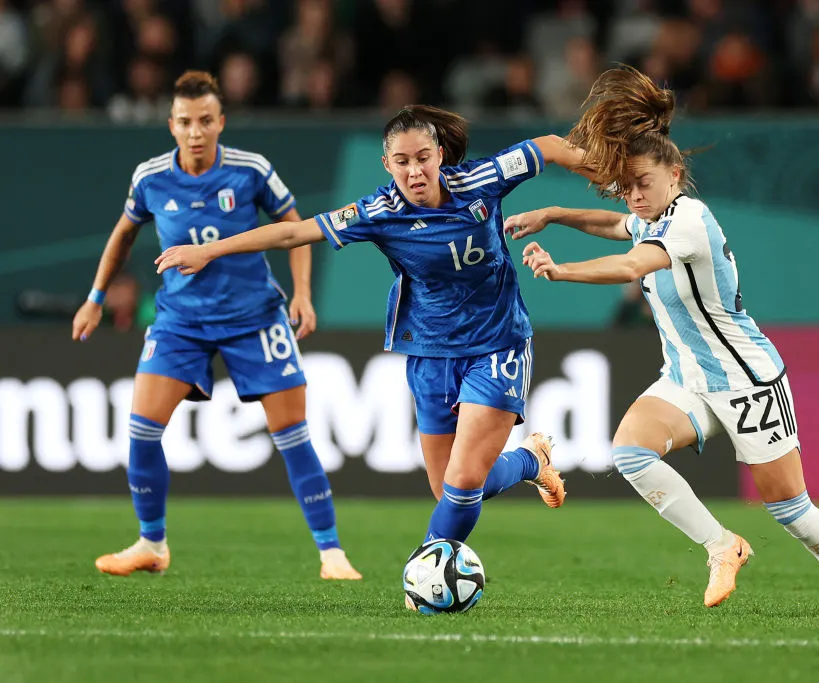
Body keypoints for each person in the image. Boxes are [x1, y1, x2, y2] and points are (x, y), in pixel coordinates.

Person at [155, 105, 596, 590]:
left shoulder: (482, 180)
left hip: (499, 343)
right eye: (402, 161)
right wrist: (209, 250)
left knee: (465, 480)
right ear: (387, 165)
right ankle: (532, 459)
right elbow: (291, 232)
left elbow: (550, 147)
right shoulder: (377, 212)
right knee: (451, 487)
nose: (415, 170)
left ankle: (425, 582)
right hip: (429, 352)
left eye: (424, 157)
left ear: (440, 155)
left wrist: (604, 171)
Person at [511, 66, 819, 618]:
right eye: (626, 186)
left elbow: (630, 262)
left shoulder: (687, 221)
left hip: (746, 381)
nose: (632, 197)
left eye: (642, 184)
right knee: (631, 453)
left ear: (675, 174)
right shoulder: (650, 213)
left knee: (789, 508)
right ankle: (722, 545)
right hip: (687, 378)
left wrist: (561, 270)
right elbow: (614, 225)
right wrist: (553, 213)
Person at [72, 71, 361, 581]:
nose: (196, 132)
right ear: (171, 126)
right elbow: (122, 235)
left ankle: (332, 554)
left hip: (255, 319)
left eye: (206, 121)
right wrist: (95, 298)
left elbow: (294, 228)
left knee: (292, 435)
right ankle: (151, 543)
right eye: (186, 122)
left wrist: (303, 294)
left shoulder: (251, 171)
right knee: (141, 431)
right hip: (181, 321)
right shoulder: (151, 178)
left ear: (221, 122)